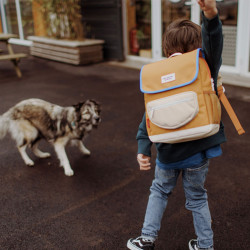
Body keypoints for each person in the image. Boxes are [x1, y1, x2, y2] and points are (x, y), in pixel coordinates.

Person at [127, 0, 226, 250]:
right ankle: (205, 245)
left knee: (159, 192)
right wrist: (211, 15)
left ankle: (147, 239)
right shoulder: (204, 65)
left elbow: (148, 115)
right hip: (197, 152)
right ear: (199, 47)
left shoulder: (158, 75)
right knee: (197, 198)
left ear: (166, 48)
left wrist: (142, 147)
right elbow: (213, 41)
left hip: (167, 153)